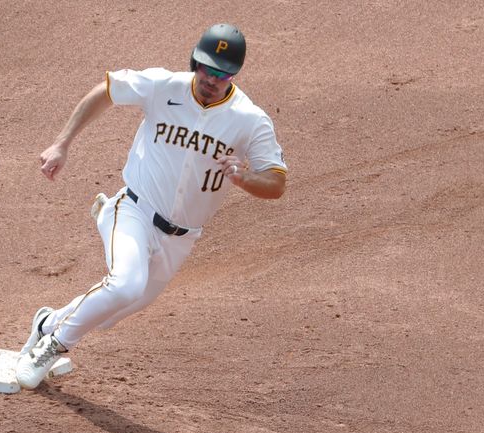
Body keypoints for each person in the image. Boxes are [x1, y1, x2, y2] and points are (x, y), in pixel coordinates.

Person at [16, 23, 288, 389]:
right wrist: (62, 143)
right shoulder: (165, 86)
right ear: (195, 61)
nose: (212, 79)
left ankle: (48, 323)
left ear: (235, 75)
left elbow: (276, 182)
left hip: (182, 238)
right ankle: (52, 346)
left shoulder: (249, 119)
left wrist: (244, 179)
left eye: (223, 74)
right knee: (125, 285)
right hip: (136, 211)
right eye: (207, 68)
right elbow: (108, 90)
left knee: (113, 310)